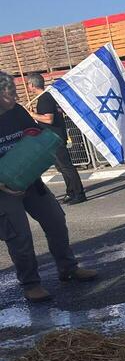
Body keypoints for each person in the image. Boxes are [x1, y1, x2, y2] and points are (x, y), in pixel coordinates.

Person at [0, 71, 97, 302]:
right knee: (20, 237)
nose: (14, 95)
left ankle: (68, 268)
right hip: (3, 191)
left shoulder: (17, 111)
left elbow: (33, 136)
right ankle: (31, 284)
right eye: (8, 91)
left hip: (31, 181)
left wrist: (43, 146)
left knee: (56, 221)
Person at [23, 73, 86, 205]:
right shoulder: (45, 97)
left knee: (66, 166)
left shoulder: (45, 98)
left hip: (55, 138)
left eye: (28, 84)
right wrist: (34, 114)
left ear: (33, 85)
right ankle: (71, 191)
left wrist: (31, 114)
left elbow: (48, 119)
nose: (28, 86)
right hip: (51, 138)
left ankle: (79, 193)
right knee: (61, 167)